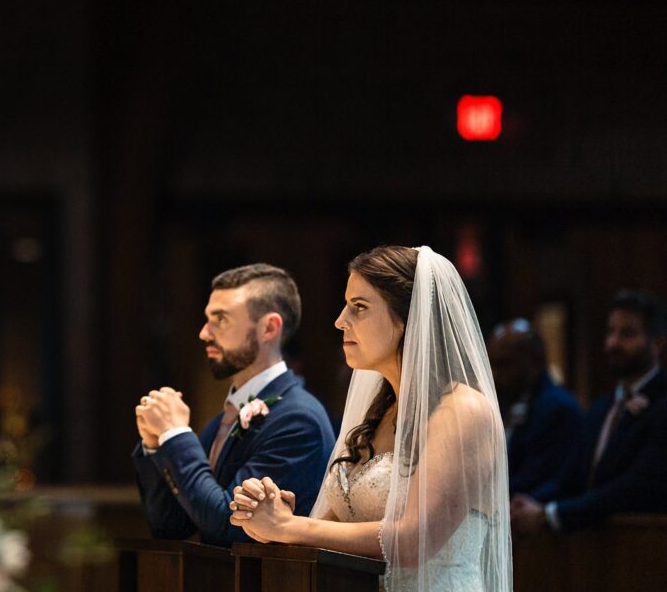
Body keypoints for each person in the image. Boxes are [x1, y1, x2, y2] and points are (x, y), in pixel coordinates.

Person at [229, 246, 511, 592]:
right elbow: (338, 531)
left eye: (359, 307)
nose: (339, 320)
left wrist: (289, 527)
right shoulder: (377, 412)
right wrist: (279, 514)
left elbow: (413, 539)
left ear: (408, 318)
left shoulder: (463, 411)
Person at [132, 263, 335, 546]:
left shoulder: (298, 420)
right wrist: (156, 443)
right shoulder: (223, 419)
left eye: (221, 320)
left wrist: (176, 436)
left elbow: (230, 527)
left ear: (268, 328)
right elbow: (171, 527)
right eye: (207, 320)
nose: (204, 333)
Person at [511, 289, 667, 533]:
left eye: (627, 333)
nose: (613, 343)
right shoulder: (601, 409)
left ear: (657, 343)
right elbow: (569, 480)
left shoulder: (661, 404)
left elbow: (633, 488)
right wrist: (526, 504)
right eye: (610, 332)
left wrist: (549, 515)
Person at [487, 319, 582, 496]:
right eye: (491, 364)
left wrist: (483, 497)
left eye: (504, 364)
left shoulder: (558, 408)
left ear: (536, 362)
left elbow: (540, 476)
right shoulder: (505, 401)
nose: (494, 374)